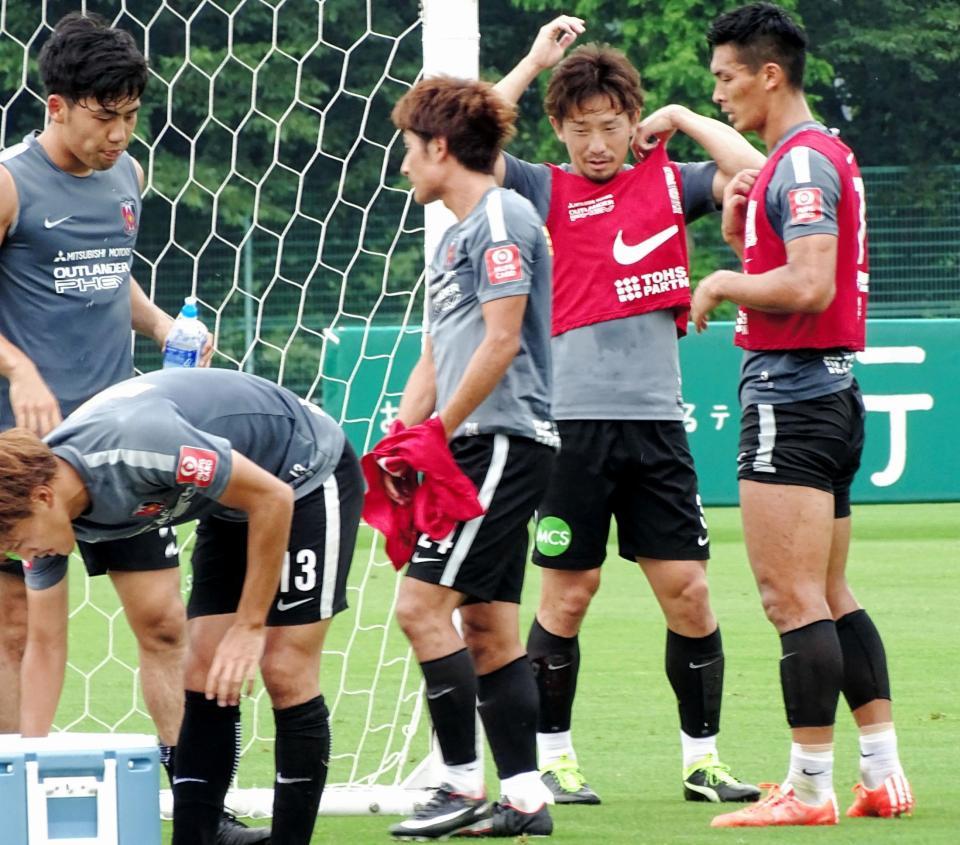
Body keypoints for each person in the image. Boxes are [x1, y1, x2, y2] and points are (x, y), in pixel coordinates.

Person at [0, 14, 263, 844]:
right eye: (102, 116)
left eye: (129, 117)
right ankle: (14, 794)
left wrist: (162, 330)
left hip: (120, 453)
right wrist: (18, 368)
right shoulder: (9, 184)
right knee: (20, 629)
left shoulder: (128, 177)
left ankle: (194, 803)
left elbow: (111, 281)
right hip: (25, 463)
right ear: (56, 105)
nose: (117, 134)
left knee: (162, 622)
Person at [491, 16, 765, 806]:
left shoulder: (670, 181)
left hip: (656, 427)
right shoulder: (544, 186)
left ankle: (703, 760)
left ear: (631, 123)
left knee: (690, 591)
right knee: (567, 597)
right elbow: (468, 142)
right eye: (582, 131)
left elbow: (757, 171)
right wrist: (536, 60)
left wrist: (679, 119)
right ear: (560, 130)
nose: (599, 145)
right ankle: (552, 758)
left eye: (612, 127)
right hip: (569, 430)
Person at [690, 3, 914, 828]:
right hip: (830, 392)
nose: (718, 94)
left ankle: (810, 788)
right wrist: (741, 231)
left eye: (724, 77)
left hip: (793, 396)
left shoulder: (804, 162)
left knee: (790, 599)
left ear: (768, 74)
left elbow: (810, 284)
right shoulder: (814, 156)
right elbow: (795, 262)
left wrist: (719, 282)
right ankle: (882, 772)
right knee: (826, 588)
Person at [0, 365, 363, 845]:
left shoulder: (138, 445)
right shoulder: (46, 520)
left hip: (300, 473)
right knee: (204, 668)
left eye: (18, 541)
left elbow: (272, 498)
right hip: (232, 502)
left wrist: (251, 626)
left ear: (43, 498)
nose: (21, 554)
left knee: (284, 667)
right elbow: (44, 647)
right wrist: (28, 770)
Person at [376, 76, 558, 839]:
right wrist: (400, 434)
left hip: (502, 442)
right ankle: (524, 797)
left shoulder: (503, 215)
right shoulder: (454, 234)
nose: (404, 166)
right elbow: (436, 352)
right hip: (474, 440)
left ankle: (455, 784)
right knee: (486, 626)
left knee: (421, 608)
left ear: (440, 148)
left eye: (409, 151)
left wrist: (438, 432)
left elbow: (502, 340)